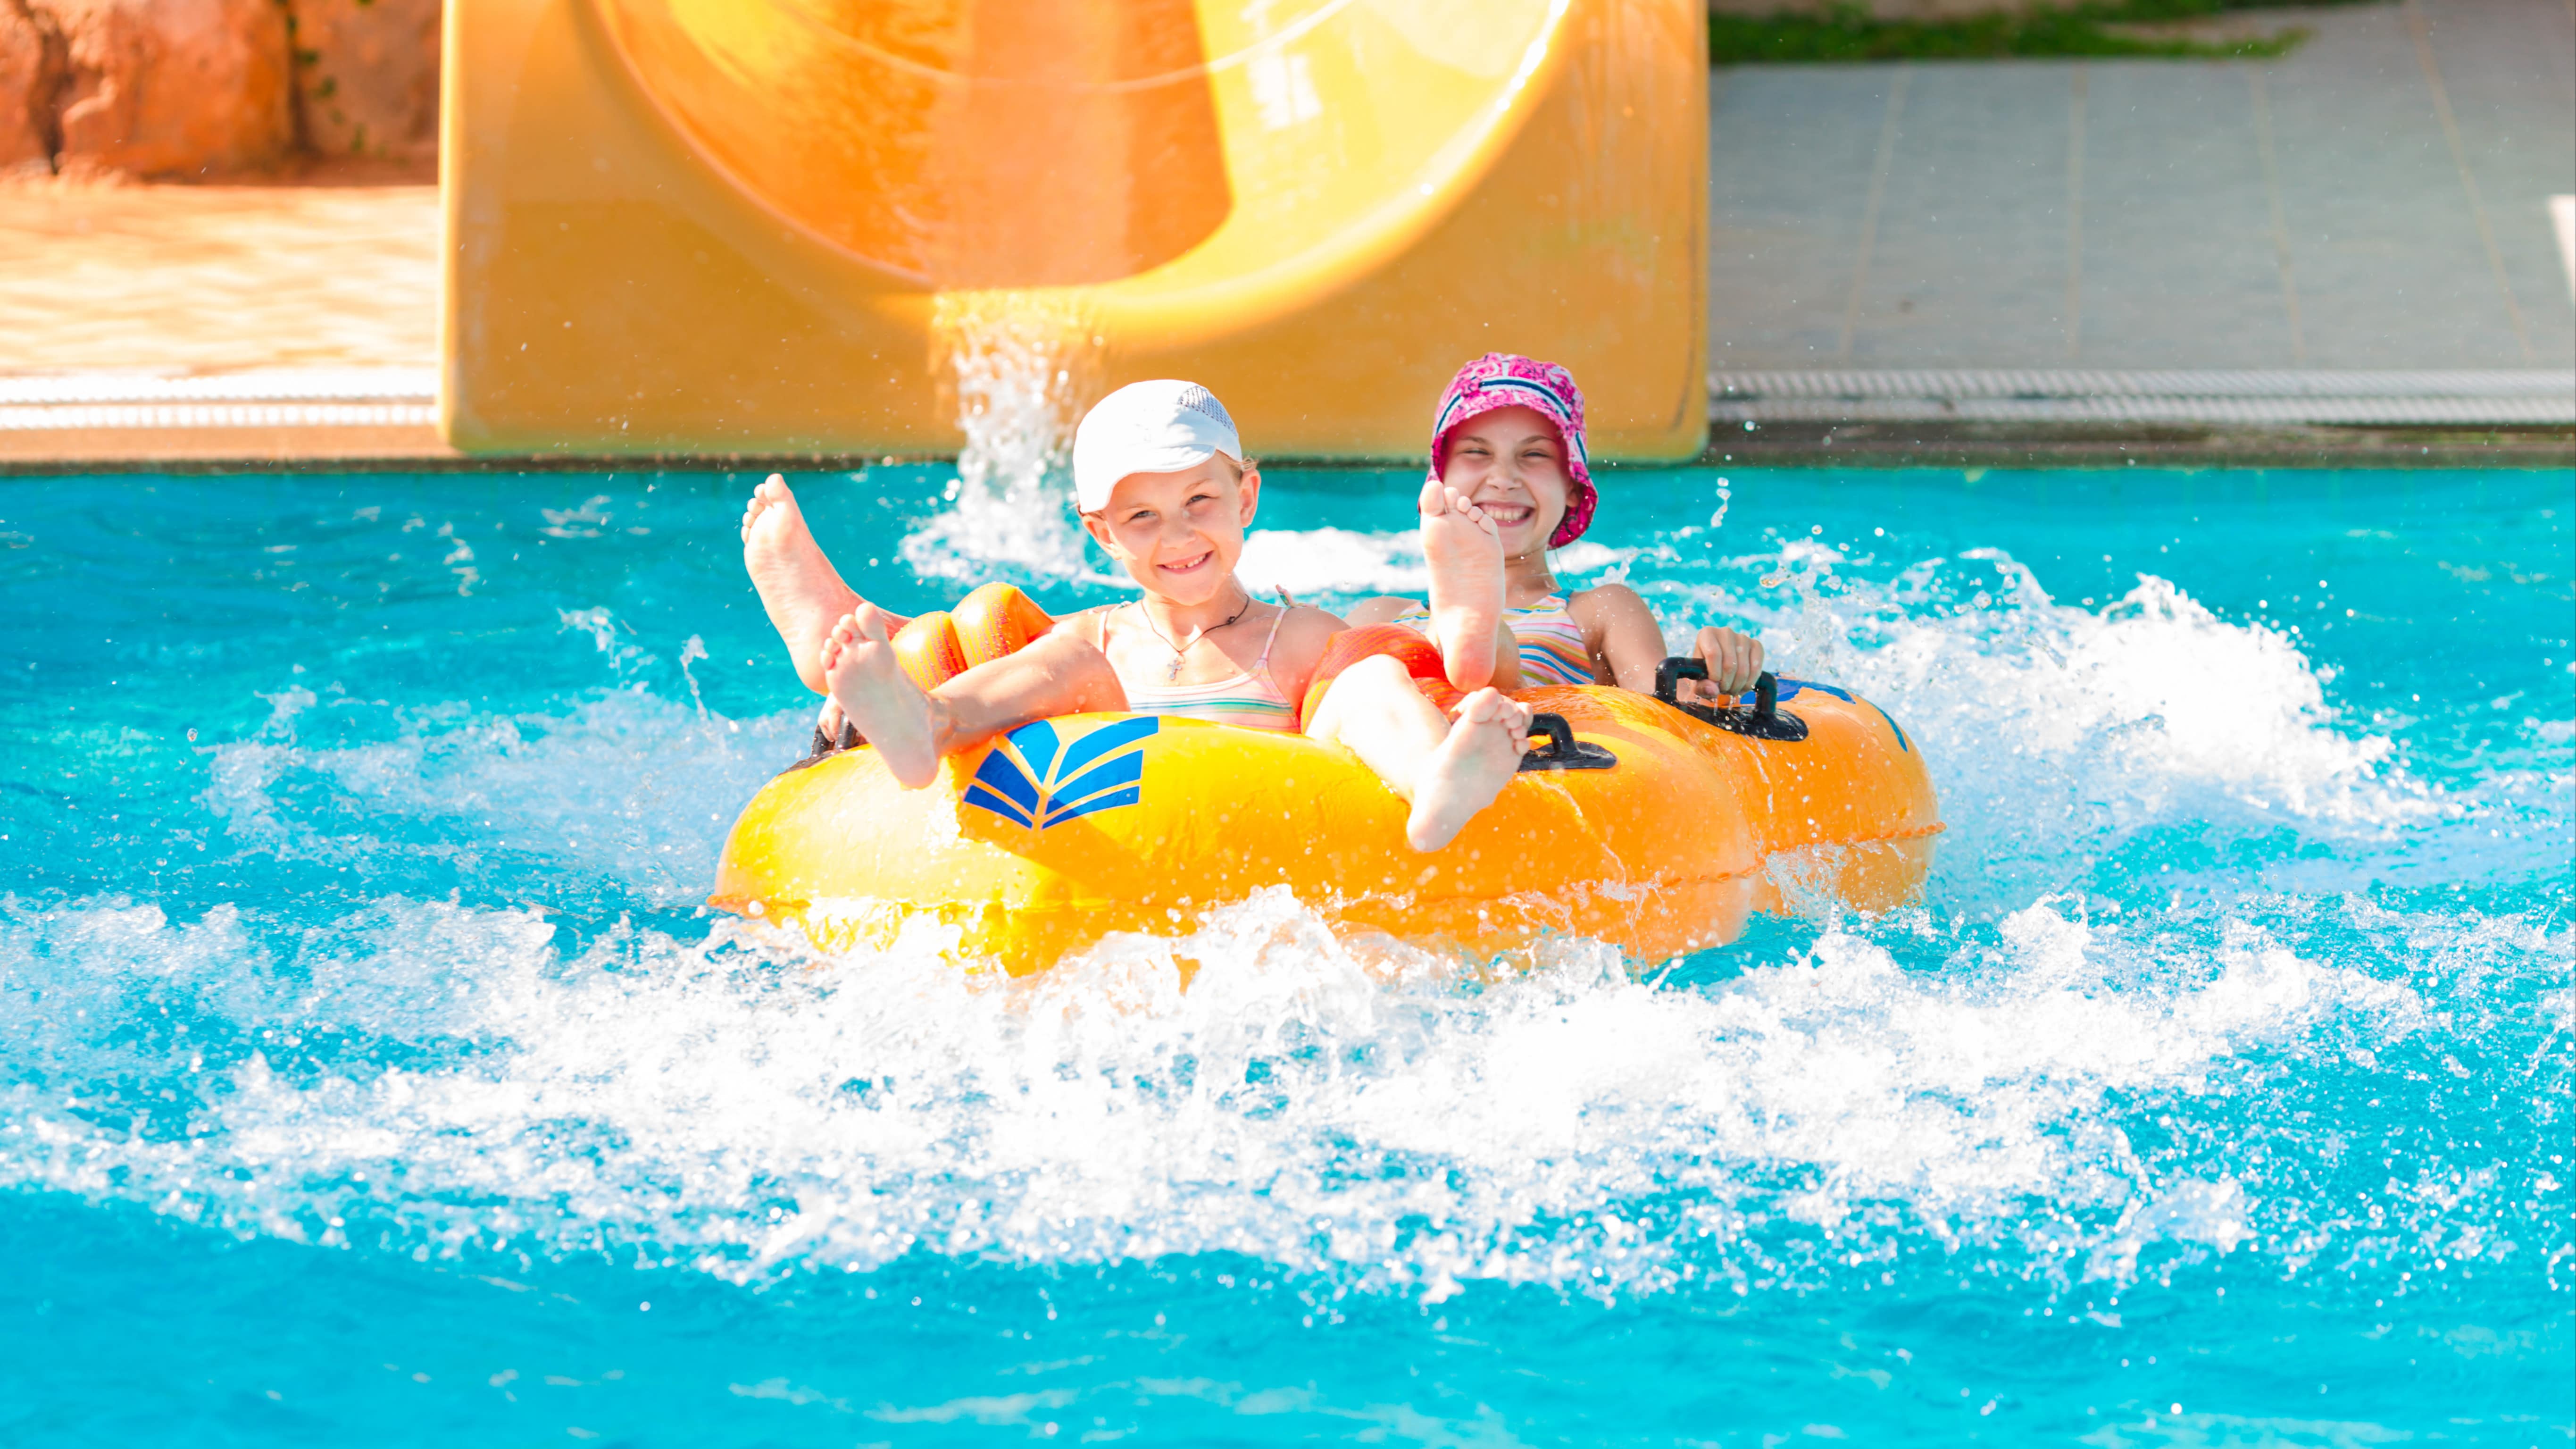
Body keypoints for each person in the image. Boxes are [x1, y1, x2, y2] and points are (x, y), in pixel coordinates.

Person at [741, 380, 1534, 851]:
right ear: (1101, 534)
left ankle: (1434, 781)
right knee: (1049, 654)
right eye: (1143, 517)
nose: (1179, 536)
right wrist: (876, 685)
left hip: (1267, 846)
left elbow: (1377, 687)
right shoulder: (1095, 639)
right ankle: (917, 720)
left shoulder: (1294, 638)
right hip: (1110, 845)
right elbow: (1023, 664)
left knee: (1368, 672)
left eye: (1200, 501)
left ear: (1246, 497)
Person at [1346, 352, 1765, 701]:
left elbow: (1664, 709)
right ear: (1440, 477)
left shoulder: (1599, 611)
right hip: (1409, 728)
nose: (1503, 479)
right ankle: (1456, 632)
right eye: (1476, 452)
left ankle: (1477, 640)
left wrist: (1710, 673)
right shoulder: (1383, 615)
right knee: (1358, 654)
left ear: (1572, 487)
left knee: (1489, 669)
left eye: (1534, 455)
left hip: (1523, 727)